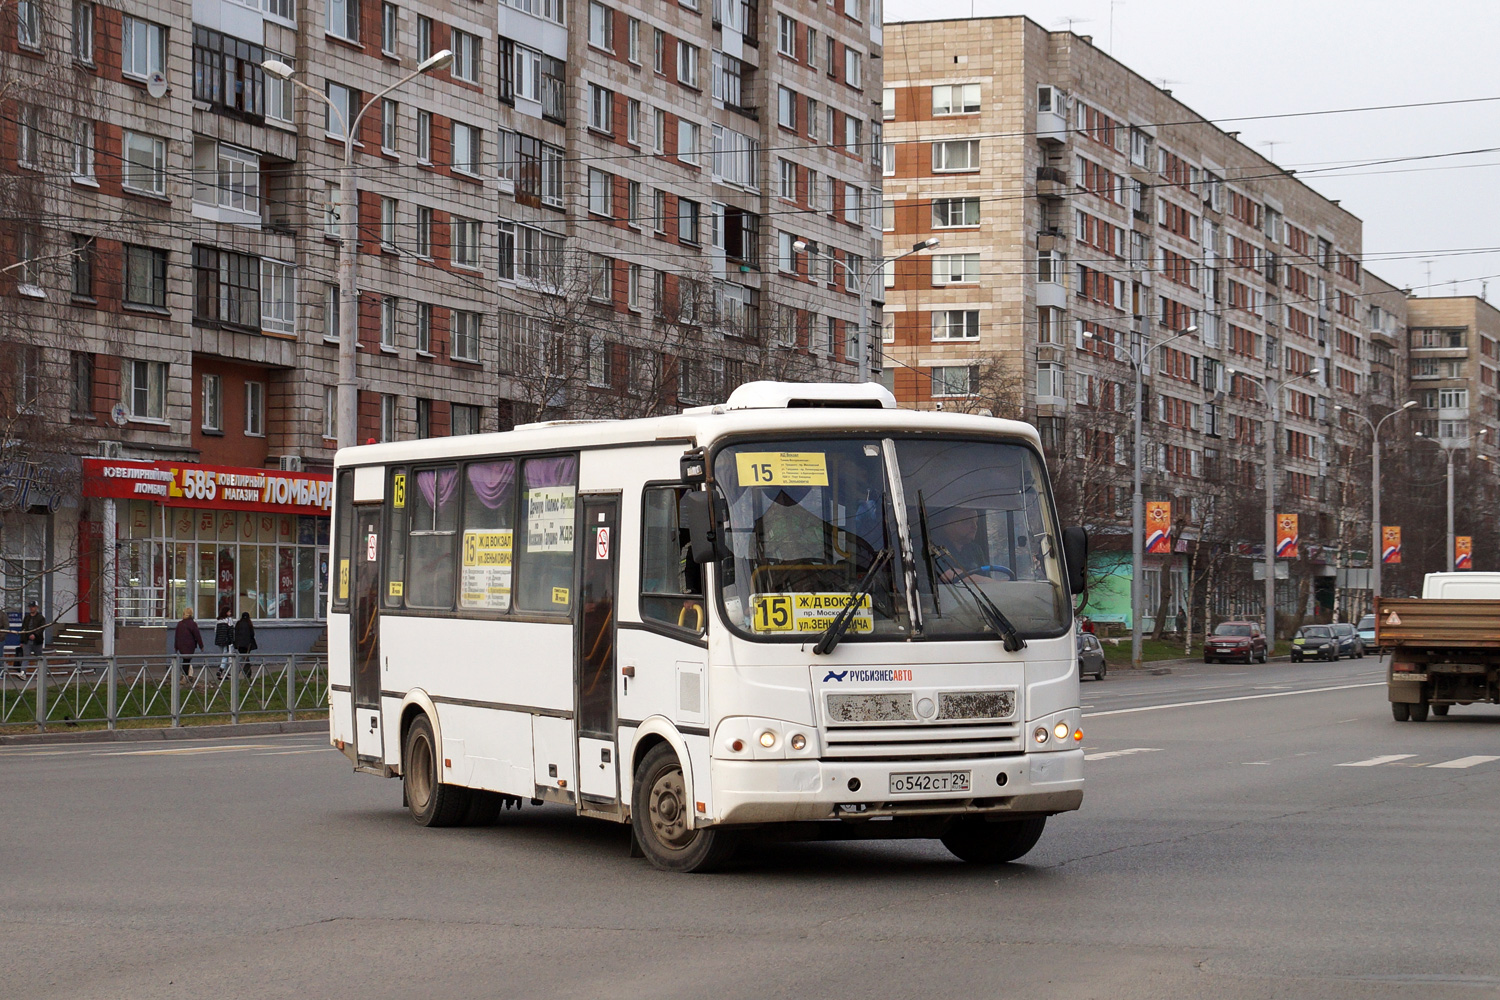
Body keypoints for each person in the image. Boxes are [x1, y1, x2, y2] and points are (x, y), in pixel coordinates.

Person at [174, 608, 203, 679]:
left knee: (186, 660)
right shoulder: (192, 624)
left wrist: (176, 646)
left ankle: (186, 675)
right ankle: (185, 676)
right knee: (187, 660)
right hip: (190, 645)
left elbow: (177, 635)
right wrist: (201, 645)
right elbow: (197, 635)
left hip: (181, 645)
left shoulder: (180, 624)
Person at [19, 601, 46, 665]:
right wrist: (22, 641)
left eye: (33, 607)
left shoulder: (40, 618)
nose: (31, 608)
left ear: (36, 607)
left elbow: (42, 628)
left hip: (37, 641)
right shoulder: (26, 618)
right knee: (26, 657)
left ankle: (41, 673)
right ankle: (23, 673)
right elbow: (23, 629)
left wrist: (35, 635)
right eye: (30, 607)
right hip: (27, 640)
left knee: (39, 657)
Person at [233, 612, 258, 680]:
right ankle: (244, 673)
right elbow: (252, 634)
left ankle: (242, 673)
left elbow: (235, 633)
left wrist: (236, 643)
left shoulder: (238, 623)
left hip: (239, 645)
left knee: (244, 658)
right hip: (247, 645)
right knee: (245, 658)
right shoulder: (249, 624)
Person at [213, 605, 235, 681]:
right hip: (227, 640)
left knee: (223, 655)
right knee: (226, 656)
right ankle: (221, 669)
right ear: (226, 612)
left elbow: (215, 631)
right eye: (229, 611)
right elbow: (231, 630)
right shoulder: (229, 620)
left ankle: (223, 674)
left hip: (219, 641)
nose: (230, 613)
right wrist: (232, 640)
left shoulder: (218, 620)